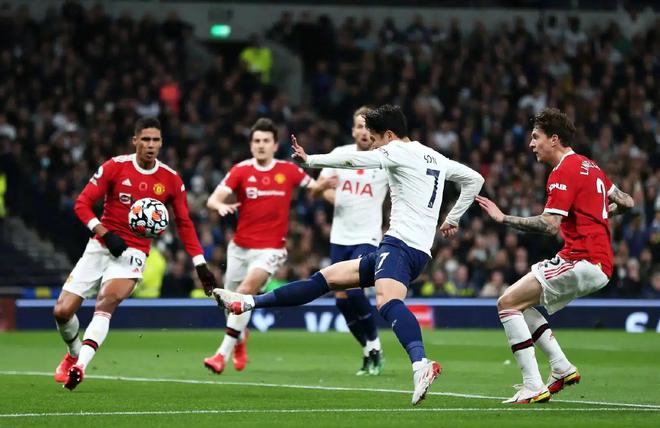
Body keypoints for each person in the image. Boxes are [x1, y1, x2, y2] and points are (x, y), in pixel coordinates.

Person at [214, 105, 484, 405]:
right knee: (326, 279)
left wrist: (311, 159)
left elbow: (355, 160)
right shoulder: (434, 156)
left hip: (400, 246)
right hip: (411, 249)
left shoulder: (396, 151)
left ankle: (421, 364)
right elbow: (475, 180)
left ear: (389, 135)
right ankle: (247, 302)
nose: (374, 146)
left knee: (387, 302)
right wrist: (453, 217)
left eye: (376, 139)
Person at [476, 107, 634, 404]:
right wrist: (598, 215)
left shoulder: (563, 171)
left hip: (582, 259)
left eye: (536, 137)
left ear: (554, 139)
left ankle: (533, 385)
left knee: (506, 304)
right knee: (520, 304)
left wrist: (503, 218)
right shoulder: (590, 165)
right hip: (597, 262)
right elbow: (627, 201)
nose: (531, 144)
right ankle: (561, 367)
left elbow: (550, 226)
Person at [53, 117, 218, 391]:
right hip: (100, 245)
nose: (150, 145)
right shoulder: (115, 167)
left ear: (161, 143)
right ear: (135, 141)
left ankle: (80, 366)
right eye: (145, 139)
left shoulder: (171, 179)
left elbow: (184, 223)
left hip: (134, 253)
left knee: (105, 302)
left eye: (156, 140)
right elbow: (81, 204)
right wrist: (105, 233)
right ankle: (73, 353)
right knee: (62, 311)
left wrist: (200, 264)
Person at [203, 118, 334, 374]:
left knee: (244, 292)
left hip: (270, 249)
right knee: (228, 302)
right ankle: (240, 338)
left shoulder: (289, 170)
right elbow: (213, 199)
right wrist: (220, 206)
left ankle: (220, 355)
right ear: (251, 145)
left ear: (275, 145)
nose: (261, 145)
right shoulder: (241, 170)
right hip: (238, 248)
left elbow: (315, 189)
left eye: (266, 141)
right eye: (257, 141)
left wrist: (335, 194)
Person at [317, 106, 389, 376]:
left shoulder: (385, 159)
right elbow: (316, 189)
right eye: (359, 126)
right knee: (340, 300)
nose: (363, 132)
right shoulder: (339, 154)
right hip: (340, 237)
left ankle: (375, 344)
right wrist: (328, 192)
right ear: (352, 130)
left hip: (367, 237)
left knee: (355, 291)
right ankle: (369, 350)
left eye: (368, 127)